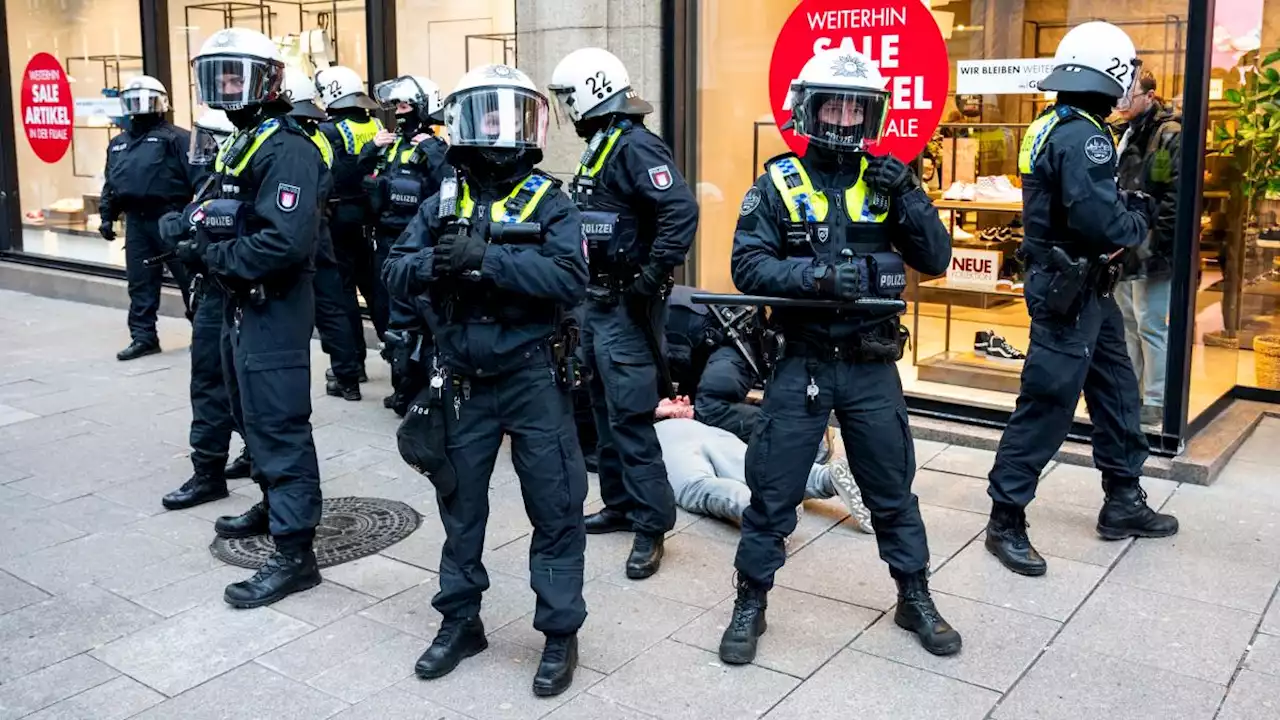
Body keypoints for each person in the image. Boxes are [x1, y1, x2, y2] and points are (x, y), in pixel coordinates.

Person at [719, 47, 960, 664]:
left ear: (871, 113)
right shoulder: (778, 182)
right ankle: (751, 599)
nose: (846, 116)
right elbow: (746, 265)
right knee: (772, 489)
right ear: (810, 107)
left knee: (891, 488)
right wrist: (815, 278)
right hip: (801, 361)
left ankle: (914, 594)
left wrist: (908, 193)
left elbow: (935, 259)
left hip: (870, 365)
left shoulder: (888, 179)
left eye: (858, 106)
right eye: (834, 102)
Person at [382, 63, 588, 697]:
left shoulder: (551, 200)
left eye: (511, 115)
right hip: (462, 379)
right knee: (460, 505)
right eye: (486, 114)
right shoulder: (443, 196)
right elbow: (392, 268)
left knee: (554, 504)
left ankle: (558, 633)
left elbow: (570, 280)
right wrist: (432, 267)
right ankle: (460, 621)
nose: (499, 129)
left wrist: (488, 260)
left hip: (531, 376)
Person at [985, 22, 1178, 579]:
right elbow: (1101, 221)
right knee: (1047, 404)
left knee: (1117, 392)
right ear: (1113, 74)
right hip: (1071, 289)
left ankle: (1123, 499)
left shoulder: (1053, 123)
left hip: (1080, 287)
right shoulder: (1086, 136)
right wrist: (1137, 213)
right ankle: (1005, 519)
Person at [177, 27, 327, 607]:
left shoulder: (287, 146)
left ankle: (296, 553)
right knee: (246, 410)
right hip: (239, 298)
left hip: (275, 301)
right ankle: (273, 503)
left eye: (235, 75)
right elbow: (219, 207)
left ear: (267, 80)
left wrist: (208, 254)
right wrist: (193, 227)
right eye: (218, 75)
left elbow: (282, 243)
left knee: (278, 419)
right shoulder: (243, 141)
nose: (225, 87)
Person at [549, 47, 699, 580]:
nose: (567, 107)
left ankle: (651, 527)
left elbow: (680, 209)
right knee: (604, 409)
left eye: (569, 97)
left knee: (632, 418)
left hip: (625, 306)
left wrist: (653, 275)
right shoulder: (602, 146)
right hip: (597, 300)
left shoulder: (635, 146)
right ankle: (618, 504)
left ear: (593, 91)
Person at [158, 109, 254, 511]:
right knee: (210, 382)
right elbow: (187, 221)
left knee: (247, 387)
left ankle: (255, 459)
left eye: (209, 142)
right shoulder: (212, 181)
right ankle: (208, 471)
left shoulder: (245, 177)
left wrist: (193, 241)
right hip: (214, 293)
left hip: (241, 294)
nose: (202, 151)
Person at [363, 75, 451, 412]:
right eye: (395, 106)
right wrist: (373, 149)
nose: (398, 113)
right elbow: (361, 180)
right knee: (390, 319)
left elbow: (449, 185)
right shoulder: (392, 144)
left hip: (419, 246)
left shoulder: (436, 148)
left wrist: (431, 150)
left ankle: (422, 391)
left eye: (404, 106)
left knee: (419, 323)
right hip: (386, 242)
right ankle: (401, 385)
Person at [98, 75, 201, 361]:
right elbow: (112, 182)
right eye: (133, 100)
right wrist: (107, 216)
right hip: (137, 223)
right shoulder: (118, 143)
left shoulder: (177, 138)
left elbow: (201, 179)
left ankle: (203, 334)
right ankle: (143, 337)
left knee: (190, 279)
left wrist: (196, 216)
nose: (140, 107)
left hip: (172, 218)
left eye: (146, 100)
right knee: (140, 282)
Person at [656, 396, 871, 532]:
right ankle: (827, 478)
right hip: (697, 427)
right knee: (756, 468)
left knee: (699, 487)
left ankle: (761, 510)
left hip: (661, 436)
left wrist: (656, 411)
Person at [281, 66, 366, 404]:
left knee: (299, 309)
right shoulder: (318, 137)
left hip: (296, 232)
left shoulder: (286, 142)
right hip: (323, 228)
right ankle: (348, 377)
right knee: (333, 305)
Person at [1113, 69, 1180, 428]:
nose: (1123, 102)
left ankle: (1155, 399)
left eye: (1131, 95)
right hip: (1127, 241)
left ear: (1150, 96)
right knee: (1127, 321)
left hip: (1151, 244)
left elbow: (1174, 196)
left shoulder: (1168, 134)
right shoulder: (1125, 133)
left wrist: (1157, 242)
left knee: (1151, 322)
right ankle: (1131, 394)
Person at [316, 65, 383, 396]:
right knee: (375, 289)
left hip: (339, 216)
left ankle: (353, 365)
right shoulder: (376, 124)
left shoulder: (329, 131)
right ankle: (398, 358)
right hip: (370, 217)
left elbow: (329, 173)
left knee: (342, 295)